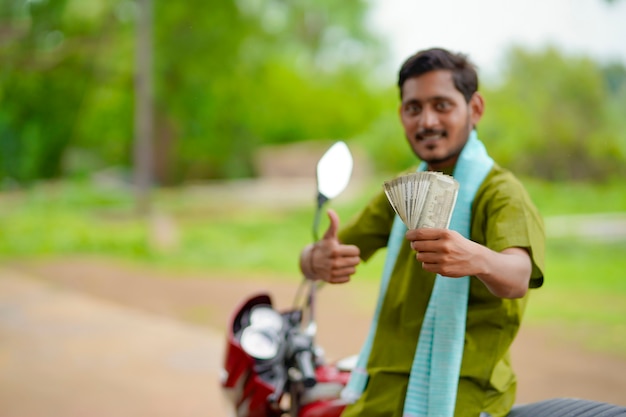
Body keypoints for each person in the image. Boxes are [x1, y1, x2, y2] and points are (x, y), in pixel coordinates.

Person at [299, 47, 545, 417]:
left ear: (474, 109)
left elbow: (518, 276)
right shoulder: (403, 193)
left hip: (463, 391)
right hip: (383, 387)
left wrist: (475, 258)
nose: (427, 121)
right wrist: (314, 258)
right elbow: (332, 250)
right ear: (402, 115)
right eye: (414, 108)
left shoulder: (500, 193)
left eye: (442, 105)